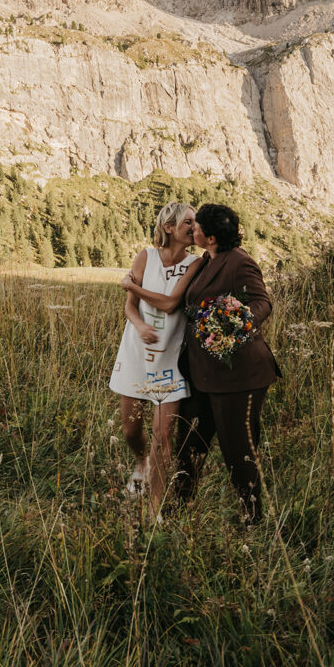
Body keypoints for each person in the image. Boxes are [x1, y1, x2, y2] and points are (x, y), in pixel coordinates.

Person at [121, 203, 280, 523]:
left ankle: (253, 517)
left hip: (239, 376)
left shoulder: (239, 262)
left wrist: (235, 324)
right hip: (201, 374)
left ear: (208, 235)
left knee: (238, 449)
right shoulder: (207, 259)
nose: (191, 230)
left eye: (196, 226)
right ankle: (179, 506)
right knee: (190, 443)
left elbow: (263, 302)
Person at [110, 202, 203, 517]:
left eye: (196, 222)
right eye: (188, 222)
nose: (194, 227)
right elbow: (129, 307)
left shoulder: (195, 263)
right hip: (137, 351)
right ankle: (141, 463)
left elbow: (170, 303)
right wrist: (139, 325)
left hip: (171, 358)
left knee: (164, 438)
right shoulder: (145, 256)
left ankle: (154, 510)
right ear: (168, 227)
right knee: (130, 430)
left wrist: (131, 284)